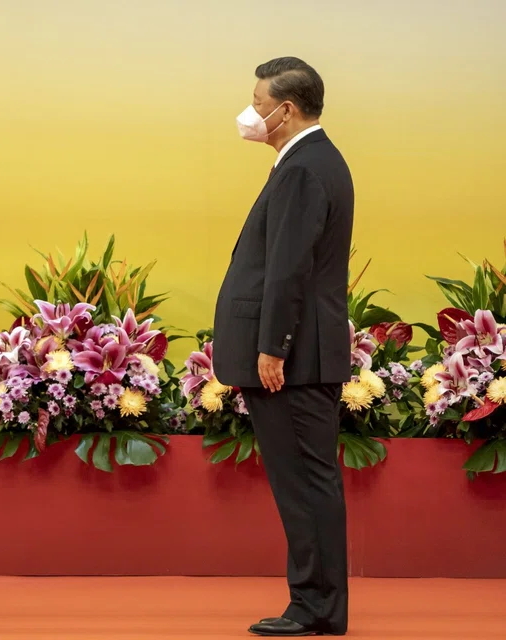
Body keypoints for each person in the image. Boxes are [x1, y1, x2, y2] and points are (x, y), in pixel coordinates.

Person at [212, 57, 353, 637]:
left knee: (304, 484)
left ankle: (314, 605)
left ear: (286, 109)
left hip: (293, 361)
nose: (251, 111)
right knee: (308, 481)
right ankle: (319, 602)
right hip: (302, 354)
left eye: (258, 100)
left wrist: (274, 346)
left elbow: (289, 268)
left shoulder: (302, 169)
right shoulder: (313, 161)